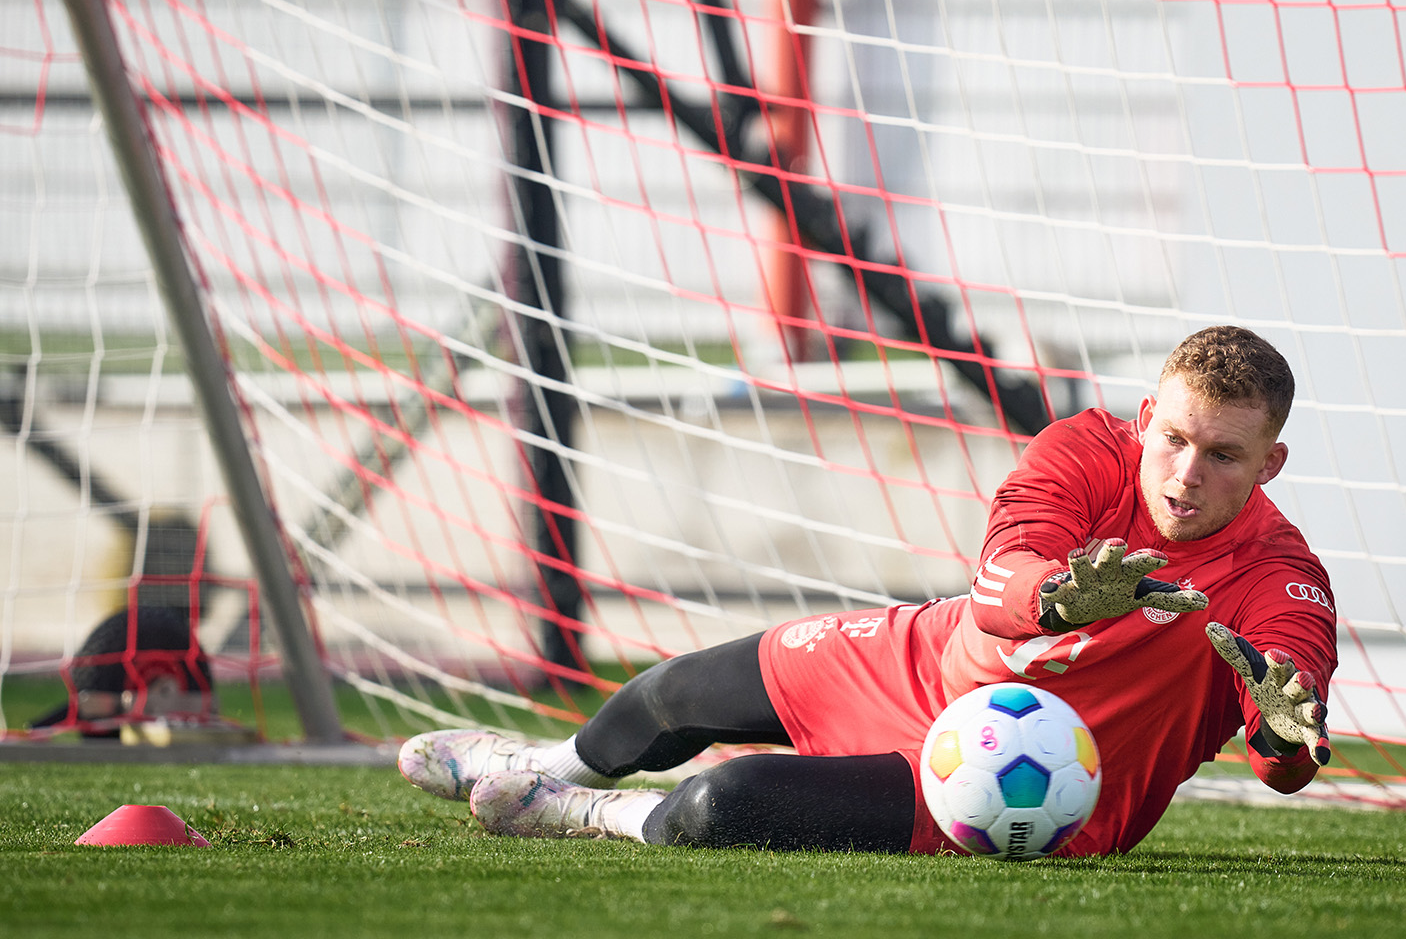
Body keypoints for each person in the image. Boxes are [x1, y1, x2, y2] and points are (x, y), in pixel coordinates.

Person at [398, 325, 1336, 856]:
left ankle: (572, 813)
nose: (1184, 475)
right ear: (1145, 420)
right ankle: (543, 766)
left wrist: (1284, 733)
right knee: (669, 693)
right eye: (1173, 439)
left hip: (1033, 790)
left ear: (1271, 462)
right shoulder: (1085, 450)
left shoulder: (1280, 576)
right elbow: (1002, 571)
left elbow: (1287, 733)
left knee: (722, 806)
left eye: (1223, 456)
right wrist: (1055, 600)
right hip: (926, 662)